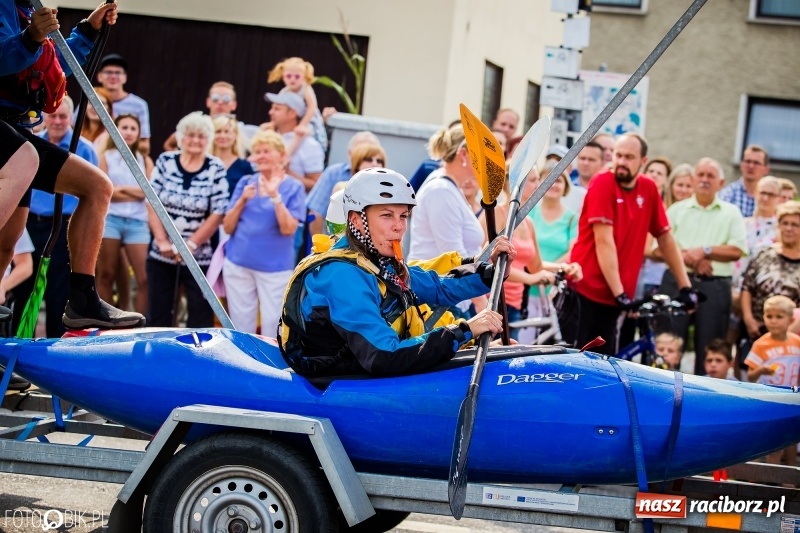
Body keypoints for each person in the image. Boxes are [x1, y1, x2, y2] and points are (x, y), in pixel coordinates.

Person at [279, 168, 515, 377]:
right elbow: (384, 356)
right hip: (339, 385)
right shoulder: (341, 276)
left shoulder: (379, 262)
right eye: (386, 215)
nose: (399, 226)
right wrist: (465, 330)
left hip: (367, 374)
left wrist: (493, 272)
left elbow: (439, 286)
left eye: (403, 216)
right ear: (357, 221)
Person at [0, 1, 143, 332]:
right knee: (27, 161)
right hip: (8, 133)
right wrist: (30, 37)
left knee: (95, 187)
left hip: (17, 130)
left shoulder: (29, 8)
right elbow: (8, 57)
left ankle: (82, 299)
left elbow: (53, 66)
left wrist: (88, 30)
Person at [567, 133, 696, 355]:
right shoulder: (602, 182)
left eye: (629, 157)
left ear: (643, 161)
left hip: (615, 296)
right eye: (618, 155)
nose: (621, 162)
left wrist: (685, 287)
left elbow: (665, 238)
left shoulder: (648, 188)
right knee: (577, 365)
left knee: (605, 366)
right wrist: (621, 293)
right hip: (585, 290)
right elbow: (604, 241)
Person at [656, 157, 748, 374]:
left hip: (714, 287)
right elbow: (656, 249)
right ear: (693, 179)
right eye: (701, 175)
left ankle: (703, 398)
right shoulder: (677, 210)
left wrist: (706, 251)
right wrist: (688, 257)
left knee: (711, 347)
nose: (705, 180)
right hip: (676, 282)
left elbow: (737, 250)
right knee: (668, 344)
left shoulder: (731, 212)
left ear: (721, 182)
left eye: (711, 176)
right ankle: (665, 394)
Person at [146, 112, 229, 328]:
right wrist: (162, 241)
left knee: (199, 315)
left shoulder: (215, 167)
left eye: (201, 136)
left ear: (208, 140)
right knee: (159, 312)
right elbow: (151, 201)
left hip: (198, 257)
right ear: (181, 138)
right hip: (161, 253)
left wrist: (190, 245)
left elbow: (219, 211)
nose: (195, 141)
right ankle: (156, 354)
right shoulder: (165, 161)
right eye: (190, 135)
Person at [222, 130, 306, 336]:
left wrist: (275, 196)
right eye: (256, 151)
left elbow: (288, 229)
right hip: (238, 265)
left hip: (275, 270)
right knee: (241, 326)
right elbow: (227, 227)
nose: (260, 156)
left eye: (266, 151)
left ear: (281, 156)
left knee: (272, 326)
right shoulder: (245, 183)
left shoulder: (294, 187)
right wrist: (242, 200)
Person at [96, 114, 153, 315]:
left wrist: (120, 190)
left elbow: (149, 192)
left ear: (139, 133)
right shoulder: (106, 157)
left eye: (133, 128)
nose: (128, 132)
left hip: (137, 223)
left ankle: (140, 322)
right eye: (124, 127)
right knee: (105, 274)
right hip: (111, 219)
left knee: (144, 278)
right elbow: (105, 190)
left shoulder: (145, 160)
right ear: (115, 130)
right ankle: (108, 319)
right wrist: (135, 190)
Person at [519, 164, 581, 344]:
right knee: (524, 341)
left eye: (559, 180)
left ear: (566, 187)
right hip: (526, 284)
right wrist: (536, 269)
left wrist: (548, 271)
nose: (553, 184)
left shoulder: (571, 218)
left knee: (549, 341)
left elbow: (573, 251)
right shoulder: (529, 213)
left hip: (553, 287)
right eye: (549, 180)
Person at [740, 201, 800, 367]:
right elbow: (747, 287)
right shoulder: (764, 253)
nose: (789, 228)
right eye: (785, 223)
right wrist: (748, 319)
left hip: (793, 338)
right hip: (756, 329)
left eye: (795, 224)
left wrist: (786, 334)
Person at [744, 295, 799, 467]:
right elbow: (750, 376)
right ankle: (768, 478)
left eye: (779, 317)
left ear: (790, 320)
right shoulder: (761, 344)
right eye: (769, 316)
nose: (773, 321)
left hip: (792, 396)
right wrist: (760, 370)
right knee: (773, 440)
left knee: (793, 438)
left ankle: (790, 478)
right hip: (771, 398)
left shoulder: (797, 342)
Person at [305, 131, 383, 234]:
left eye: (377, 159)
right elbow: (316, 214)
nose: (374, 163)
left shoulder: (385, 182)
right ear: (350, 153)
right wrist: (322, 247)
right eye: (367, 157)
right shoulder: (335, 175)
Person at [163, 81, 259, 153]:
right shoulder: (197, 126)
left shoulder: (242, 129)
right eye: (215, 98)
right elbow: (170, 144)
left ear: (234, 105)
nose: (220, 103)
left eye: (226, 99)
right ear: (208, 102)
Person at [264, 57, 327, 154]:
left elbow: (312, 108)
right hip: (294, 120)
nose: (292, 79)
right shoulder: (285, 90)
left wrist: (302, 124)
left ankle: (287, 155)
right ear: (283, 76)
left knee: (303, 132)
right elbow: (277, 107)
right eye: (288, 76)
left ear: (304, 76)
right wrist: (273, 123)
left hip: (309, 119)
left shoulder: (306, 88)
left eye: (297, 77)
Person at [265, 92, 324, 191]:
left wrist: (287, 173)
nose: (270, 112)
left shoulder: (310, 145)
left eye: (277, 109)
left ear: (292, 113)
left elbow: (316, 185)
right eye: (272, 108)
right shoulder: (266, 135)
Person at [95, 53, 151, 156]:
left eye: (118, 73)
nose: (113, 76)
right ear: (99, 76)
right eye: (108, 72)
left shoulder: (139, 105)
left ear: (125, 77)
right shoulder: (91, 100)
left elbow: (145, 146)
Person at [719, 145, 770, 218]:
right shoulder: (727, 195)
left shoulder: (771, 198)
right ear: (741, 165)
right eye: (747, 161)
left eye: (756, 163)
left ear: (766, 169)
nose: (751, 166)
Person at [211, 114, 253, 196]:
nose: (223, 136)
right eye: (218, 131)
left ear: (235, 135)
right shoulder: (205, 162)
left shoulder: (244, 166)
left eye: (227, 132)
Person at [564, 141, 605, 214]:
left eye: (591, 160)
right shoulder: (565, 187)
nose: (586, 163)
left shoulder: (606, 189)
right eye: (582, 158)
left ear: (602, 163)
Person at [79, 86, 113, 152]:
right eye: (90, 102)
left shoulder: (108, 136)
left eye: (101, 103)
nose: (94, 106)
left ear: (109, 109)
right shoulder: (77, 132)